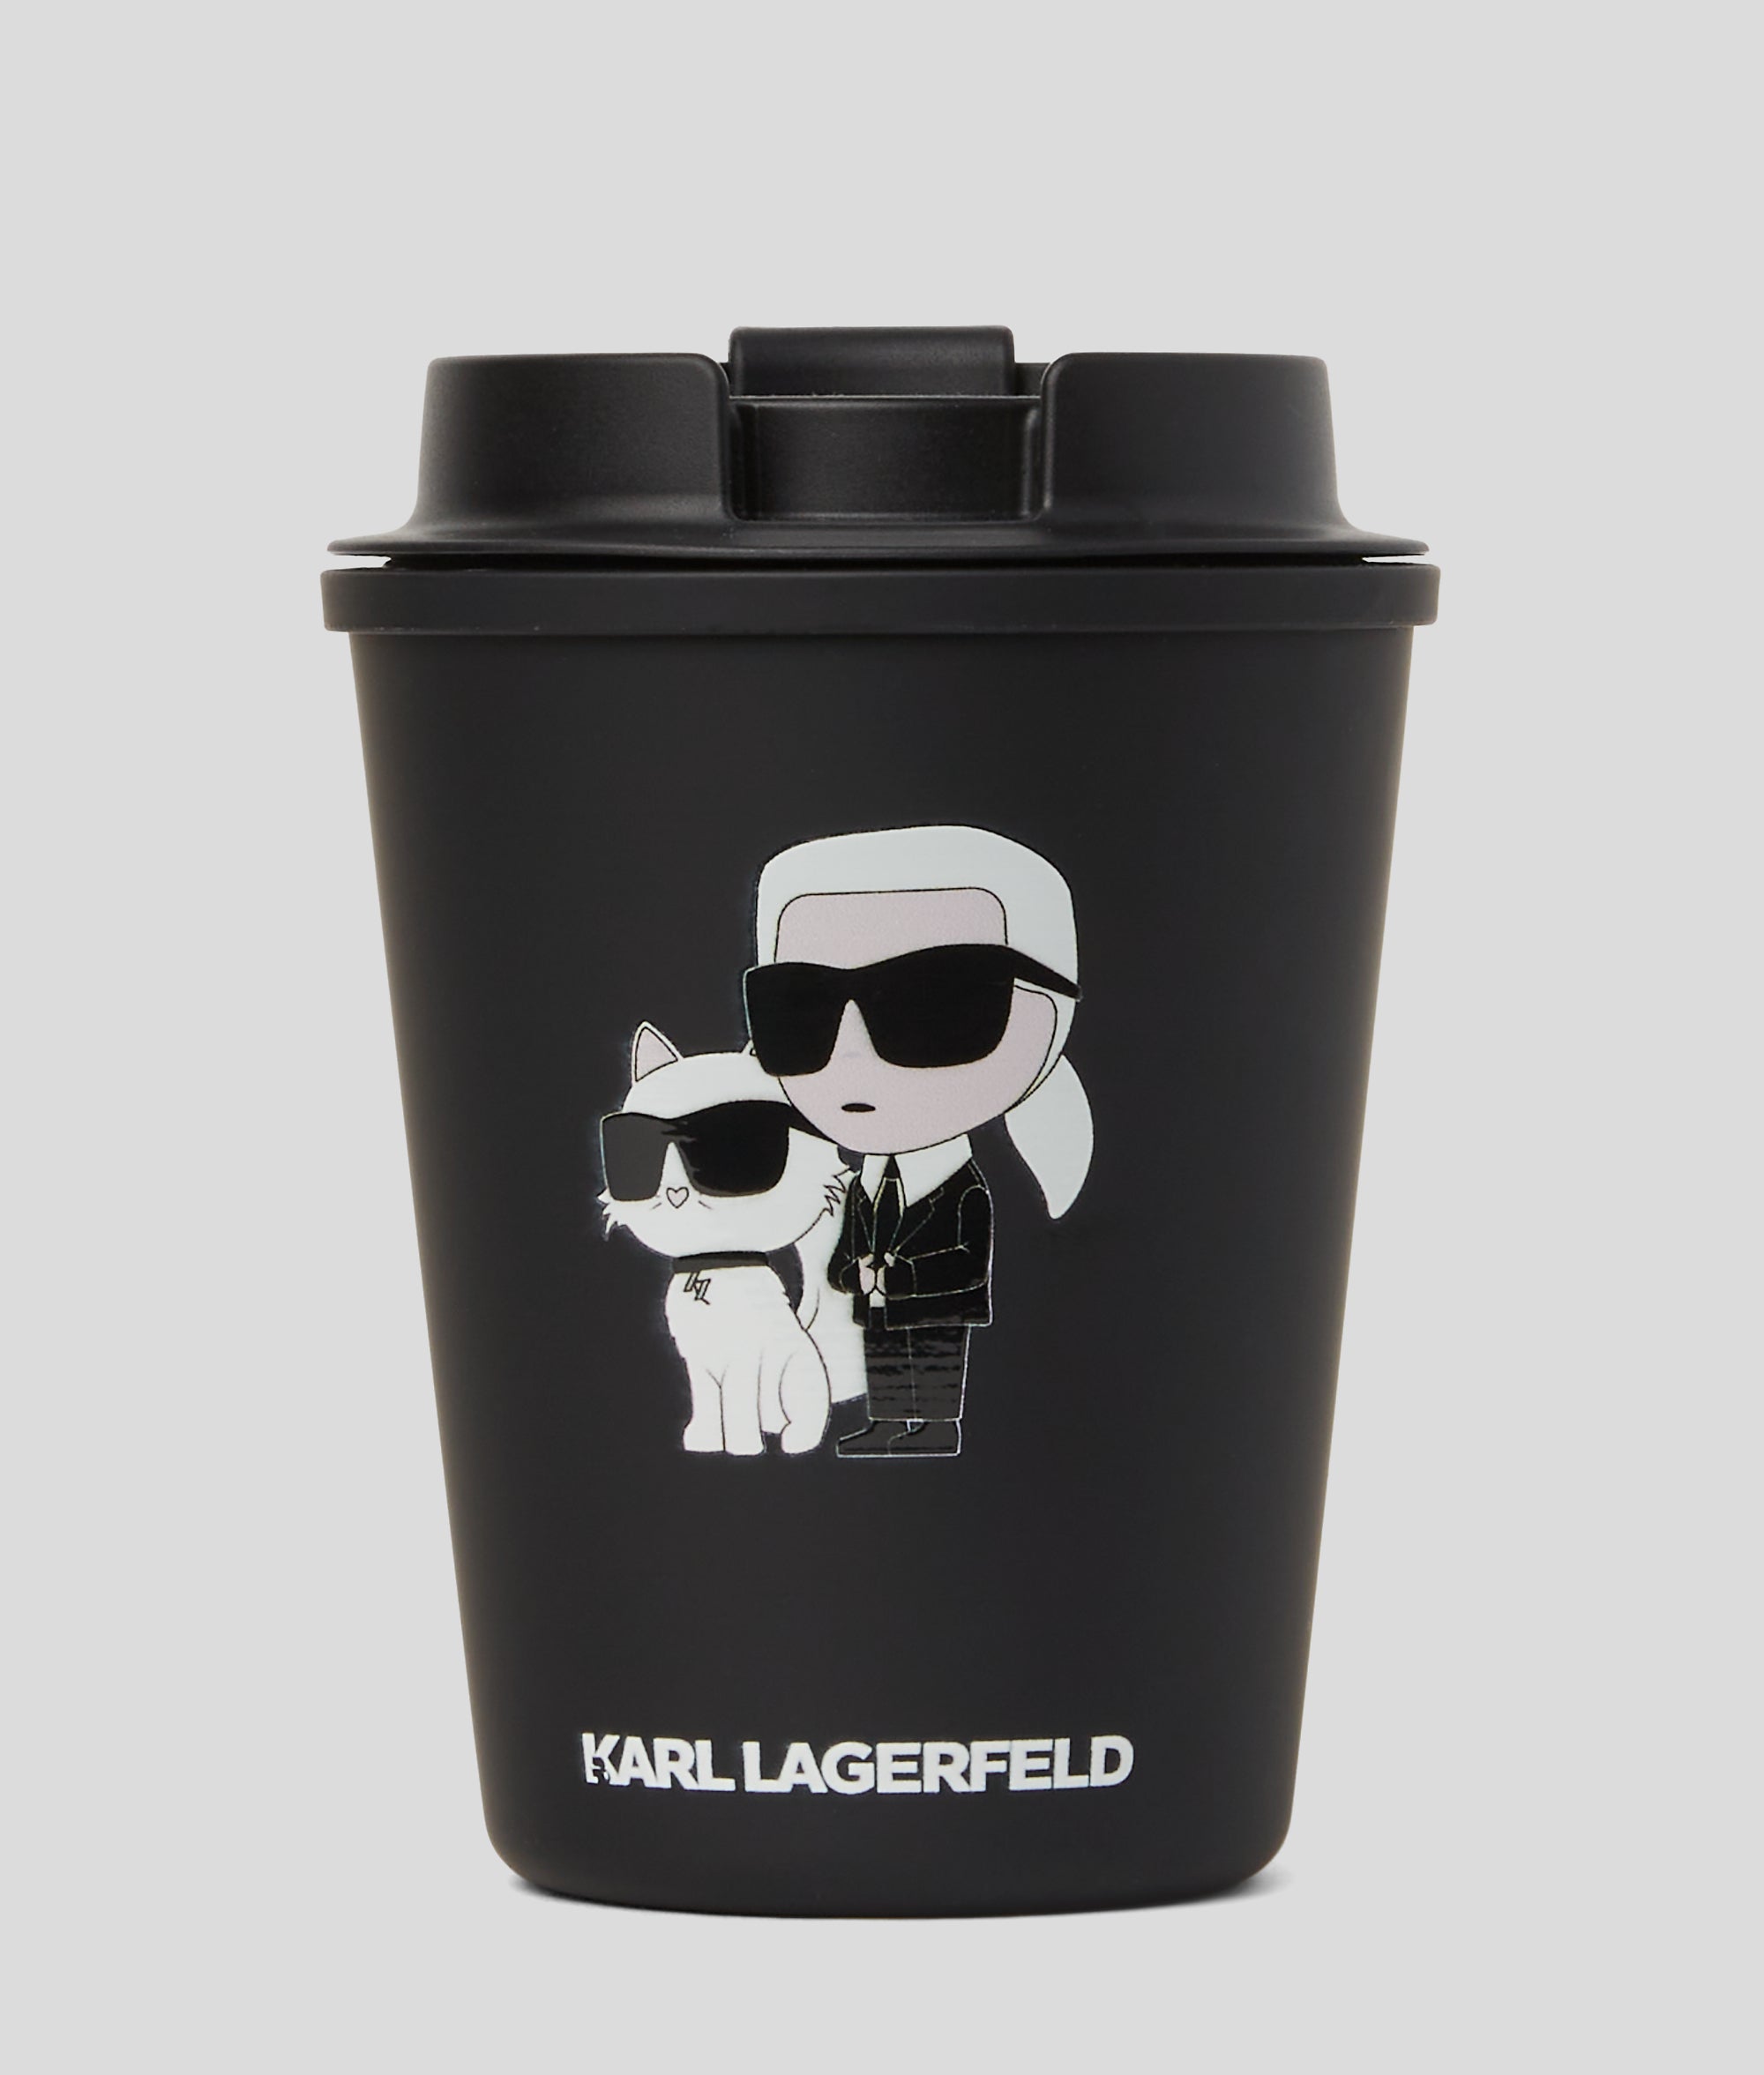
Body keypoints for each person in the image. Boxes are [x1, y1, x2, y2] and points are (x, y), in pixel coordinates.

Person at [744, 825, 1091, 1458]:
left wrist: (900, 1273)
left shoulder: (964, 1188)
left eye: (935, 1005)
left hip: (935, 1305)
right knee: (883, 1357)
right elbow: (848, 1246)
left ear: (1047, 1016)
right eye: (801, 1008)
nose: (853, 1049)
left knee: (931, 1363)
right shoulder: (867, 1184)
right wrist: (852, 1273)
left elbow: (968, 1258)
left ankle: (934, 1425)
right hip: (879, 1303)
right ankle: (887, 1422)